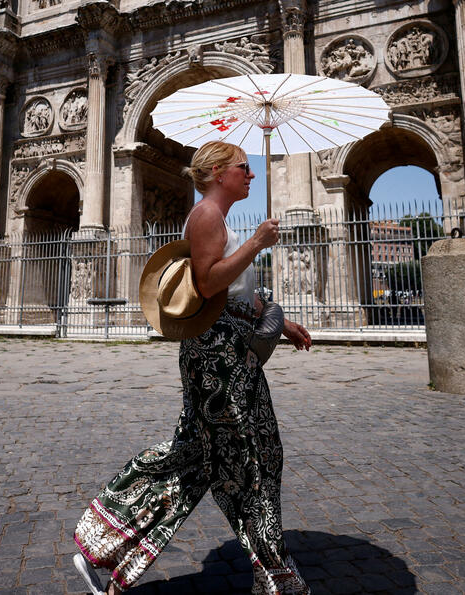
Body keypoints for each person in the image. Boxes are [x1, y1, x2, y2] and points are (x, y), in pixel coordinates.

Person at [72, 141, 313, 595]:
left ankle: (102, 546)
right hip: (215, 359)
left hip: (231, 354)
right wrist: (259, 243)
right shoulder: (205, 216)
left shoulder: (218, 221)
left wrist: (285, 324)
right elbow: (206, 282)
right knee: (249, 456)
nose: (251, 175)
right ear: (220, 172)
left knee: (206, 456)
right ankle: (275, 573)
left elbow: (238, 295)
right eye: (245, 167)